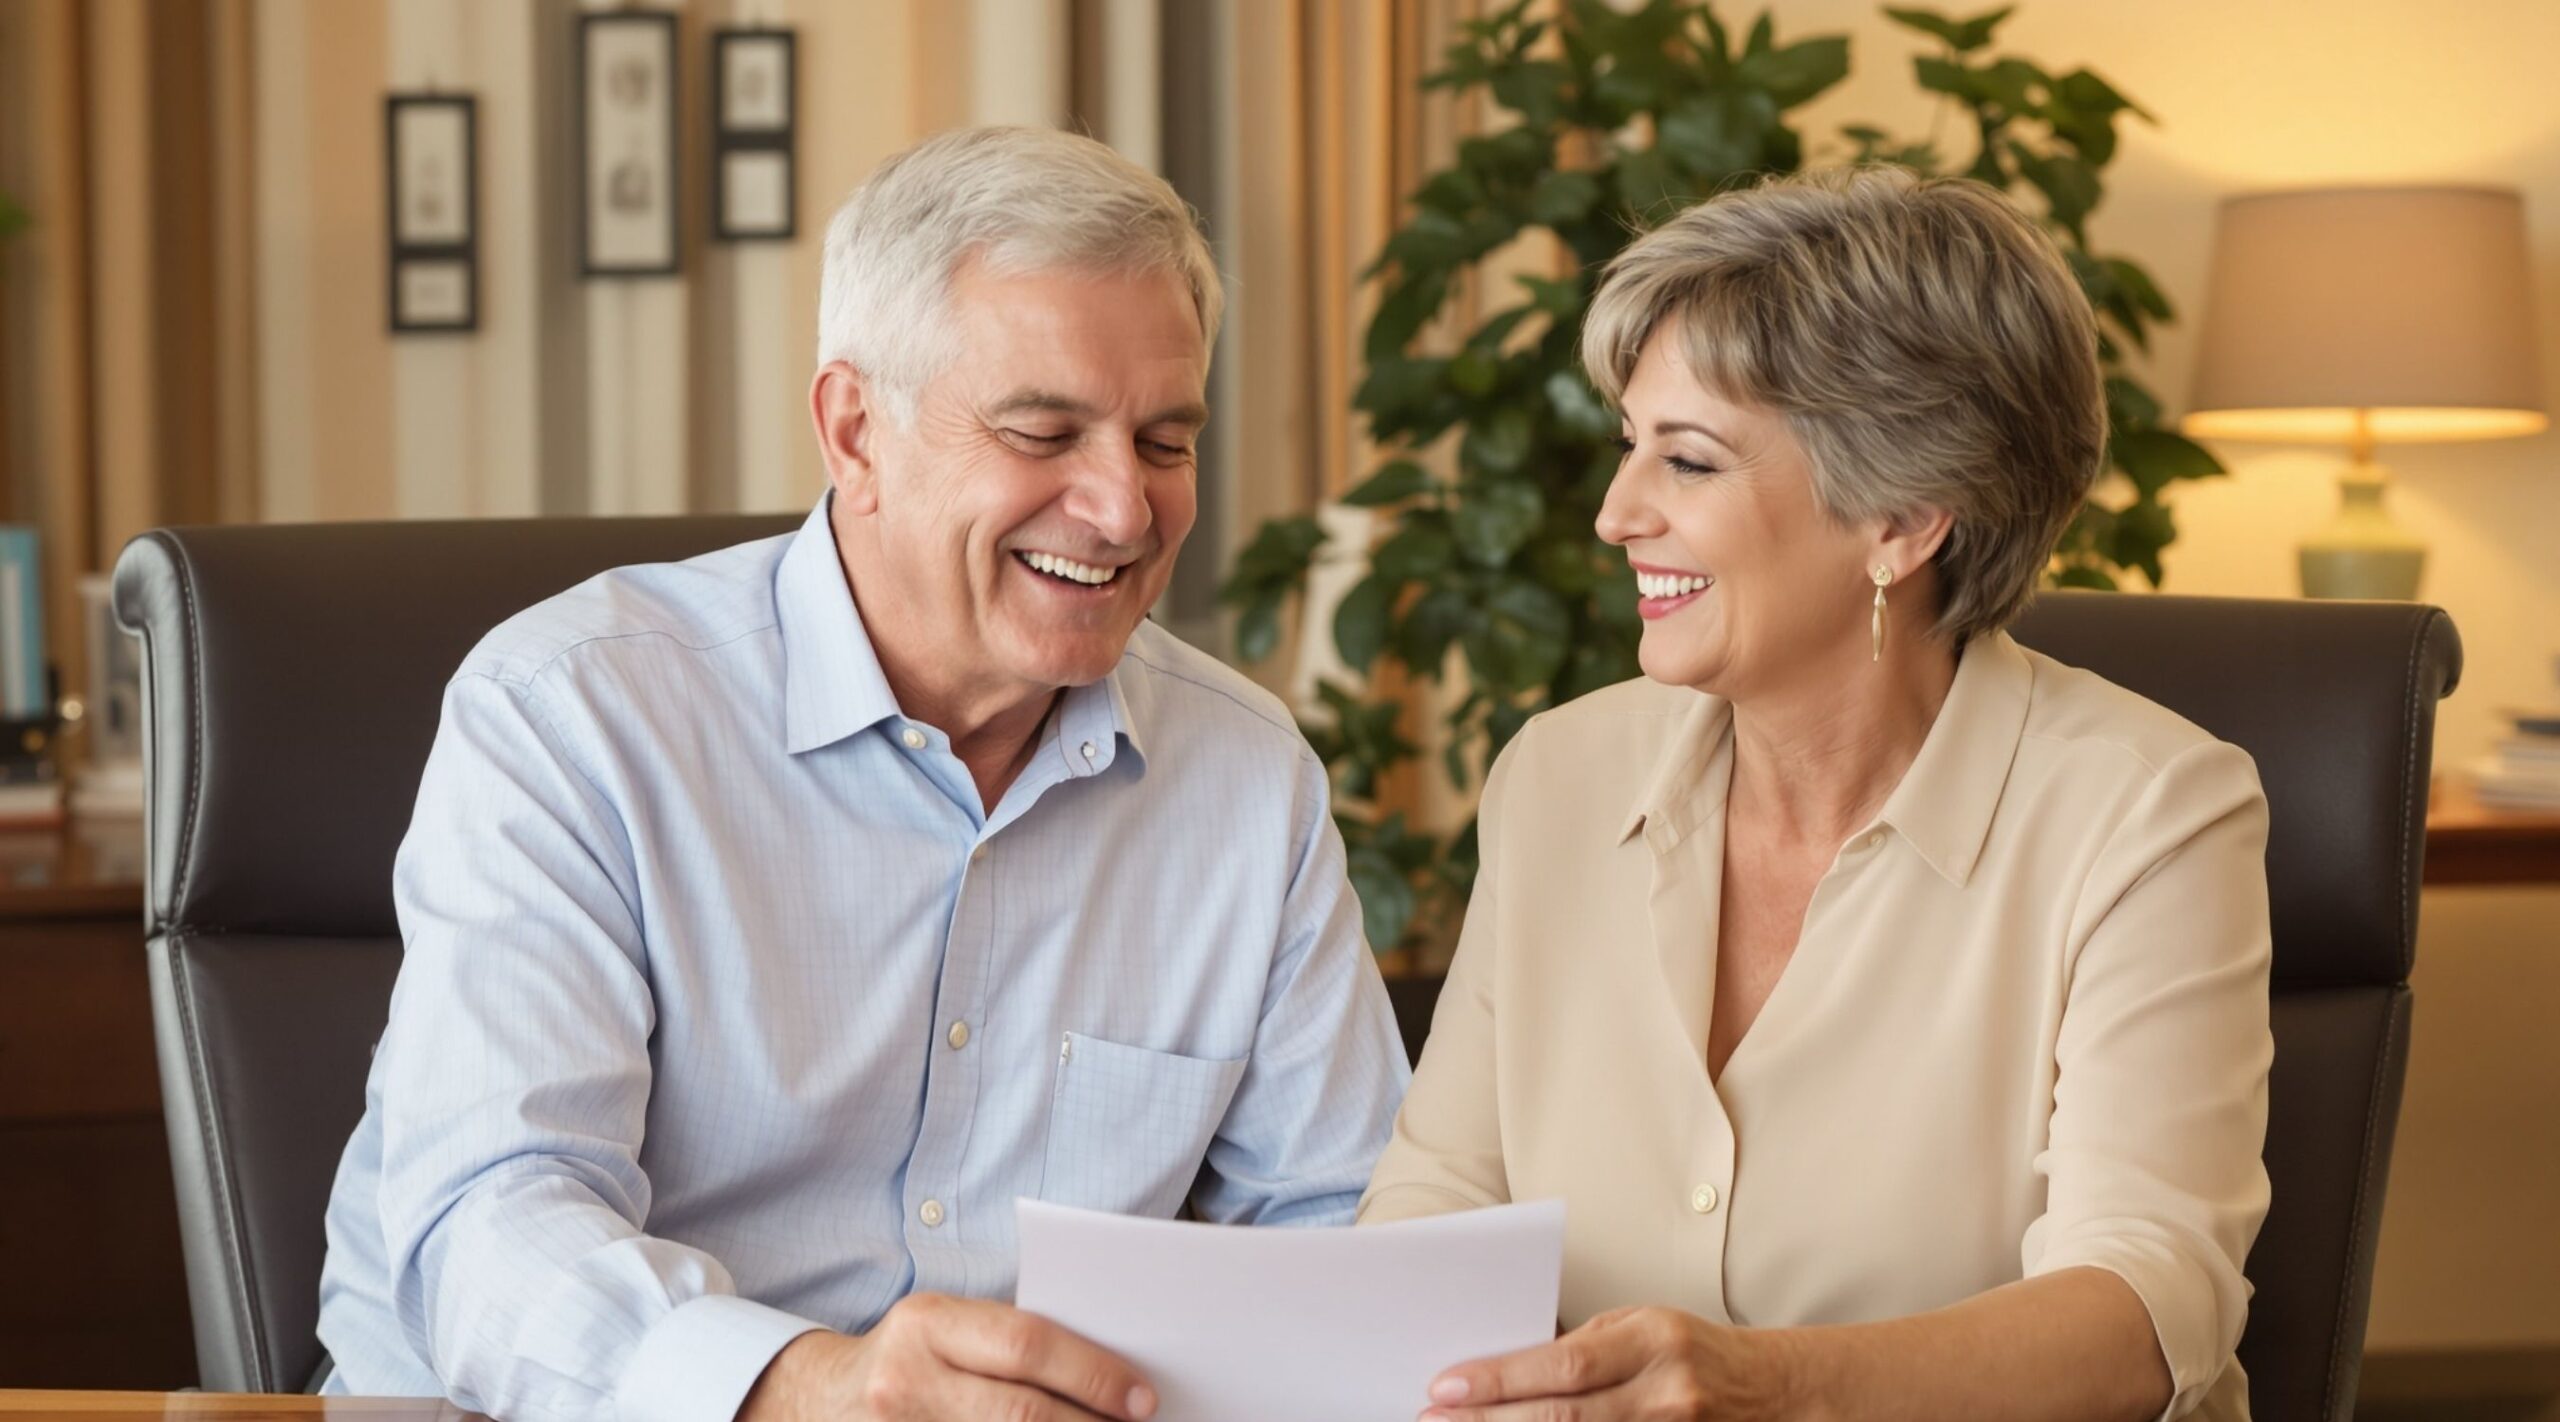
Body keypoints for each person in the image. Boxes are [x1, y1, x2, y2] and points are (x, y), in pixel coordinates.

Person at [316, 125, 1409, 1422]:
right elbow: (491, 1228)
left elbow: (1337, 1227)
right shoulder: (573, 716)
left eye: (1164, 441)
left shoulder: (1246, 780)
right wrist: (801, 1383)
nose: (1124, 508)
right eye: (1043, 430)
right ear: (854, 431)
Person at [1361, 166, 2272, 1422]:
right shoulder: (1558, 779)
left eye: (1686, 461)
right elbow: (1434, 1201)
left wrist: (1766, 1387)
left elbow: (2144, 1309)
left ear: (1899, 517)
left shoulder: (2152, 815)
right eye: (1629, 448)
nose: (1617, 513)